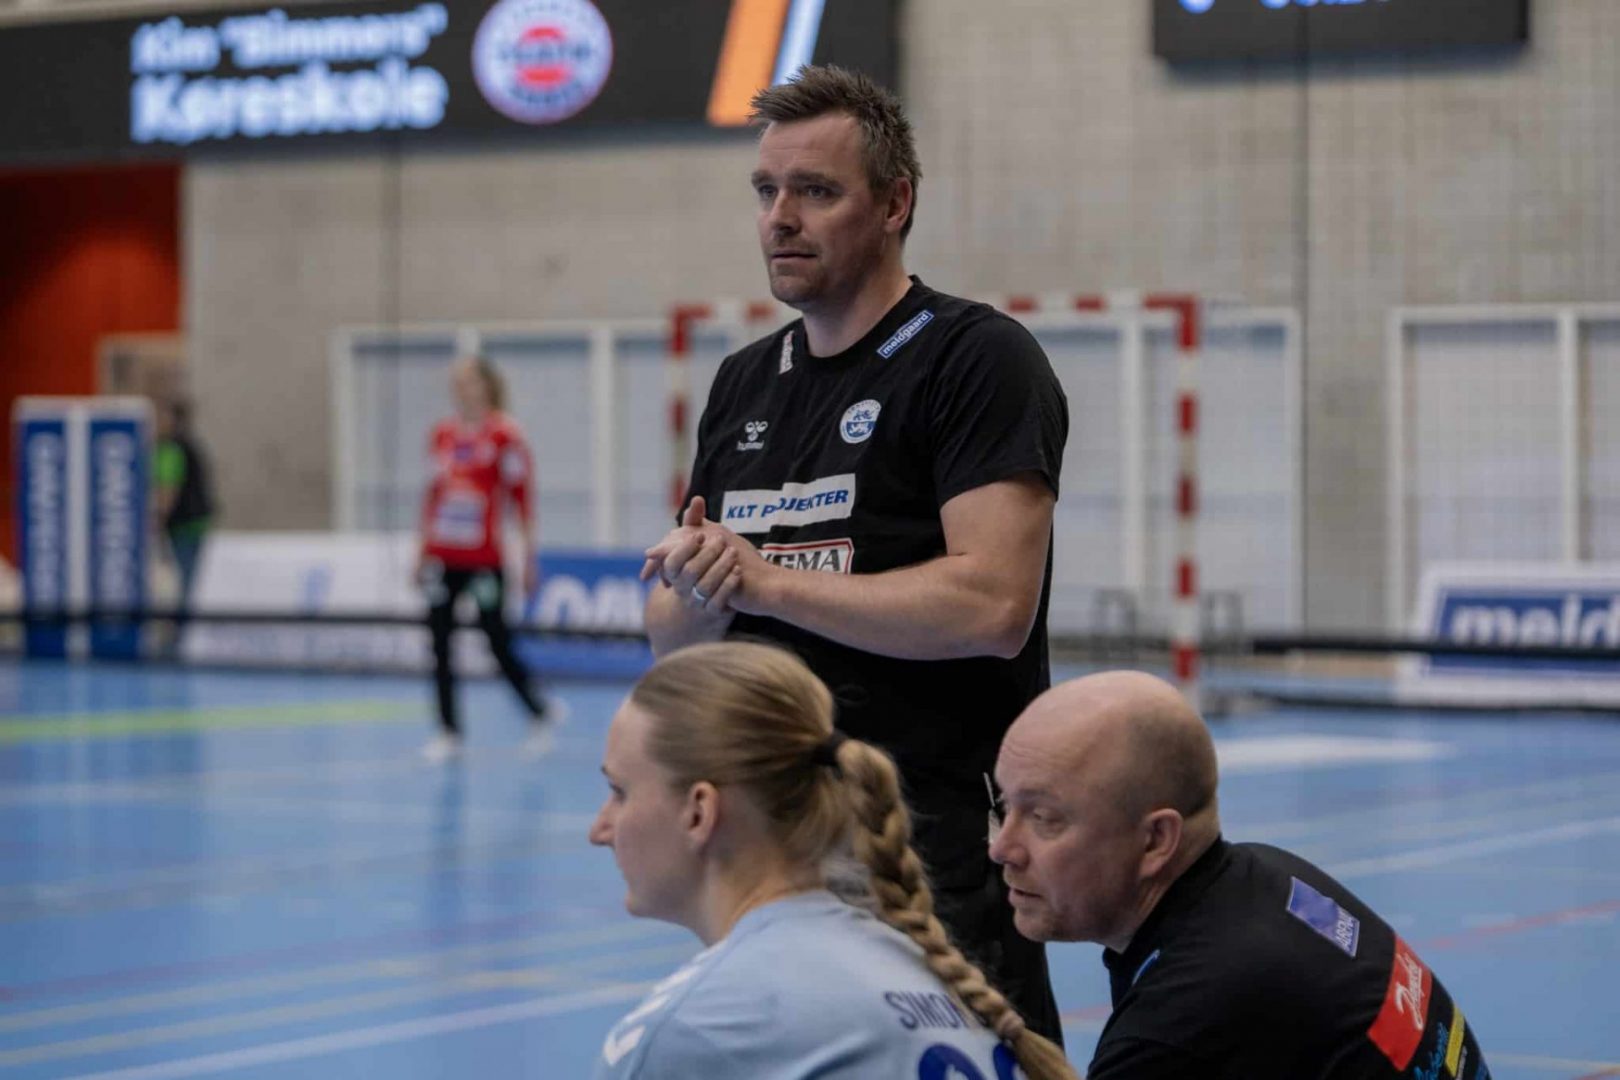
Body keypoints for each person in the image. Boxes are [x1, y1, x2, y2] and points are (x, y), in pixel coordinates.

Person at [638, 65, 1069, 1041]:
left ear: (894, 203)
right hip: (770, 858)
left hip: (929, 854)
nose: (780, 218)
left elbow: (994, 606)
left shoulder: (975, 359)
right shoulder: (744, 382)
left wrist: (765, 581)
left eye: (816, 191)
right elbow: (674, 635)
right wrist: (696, 595)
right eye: (766, 191)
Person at [589, 641, 1077, 1080]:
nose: (600, 829)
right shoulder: (924, 970)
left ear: (699, 812)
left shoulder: (695, 1030)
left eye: (619, 792)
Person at [989, 670, 1491, 1079]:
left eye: (1043, 818)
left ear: (1156, 841)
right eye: (1004, 806)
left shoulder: (1181, 1024)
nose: (1001, 848)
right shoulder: (1268, 874)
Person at [416, 355, 556, 762]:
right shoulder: (442, 434)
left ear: (487, 385)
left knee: (496, 640)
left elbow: (522, 499)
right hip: (443, 557)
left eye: (469, 381)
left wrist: (528, 558)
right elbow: (432, 496)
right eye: (456, 382)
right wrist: (420, 550)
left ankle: (538, 711)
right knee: (439, 642)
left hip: (484, 560)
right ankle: (448, 731)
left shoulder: (505, 435)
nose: (461, 389)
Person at [152, 396, 215, 645]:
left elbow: (168, 491)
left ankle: (179, 640)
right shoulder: (189, 444)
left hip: (184, 525)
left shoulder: (171, 449)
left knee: (184, 582)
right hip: (195, 521)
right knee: (188, 579)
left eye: (160, 418)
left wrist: (156, 522)